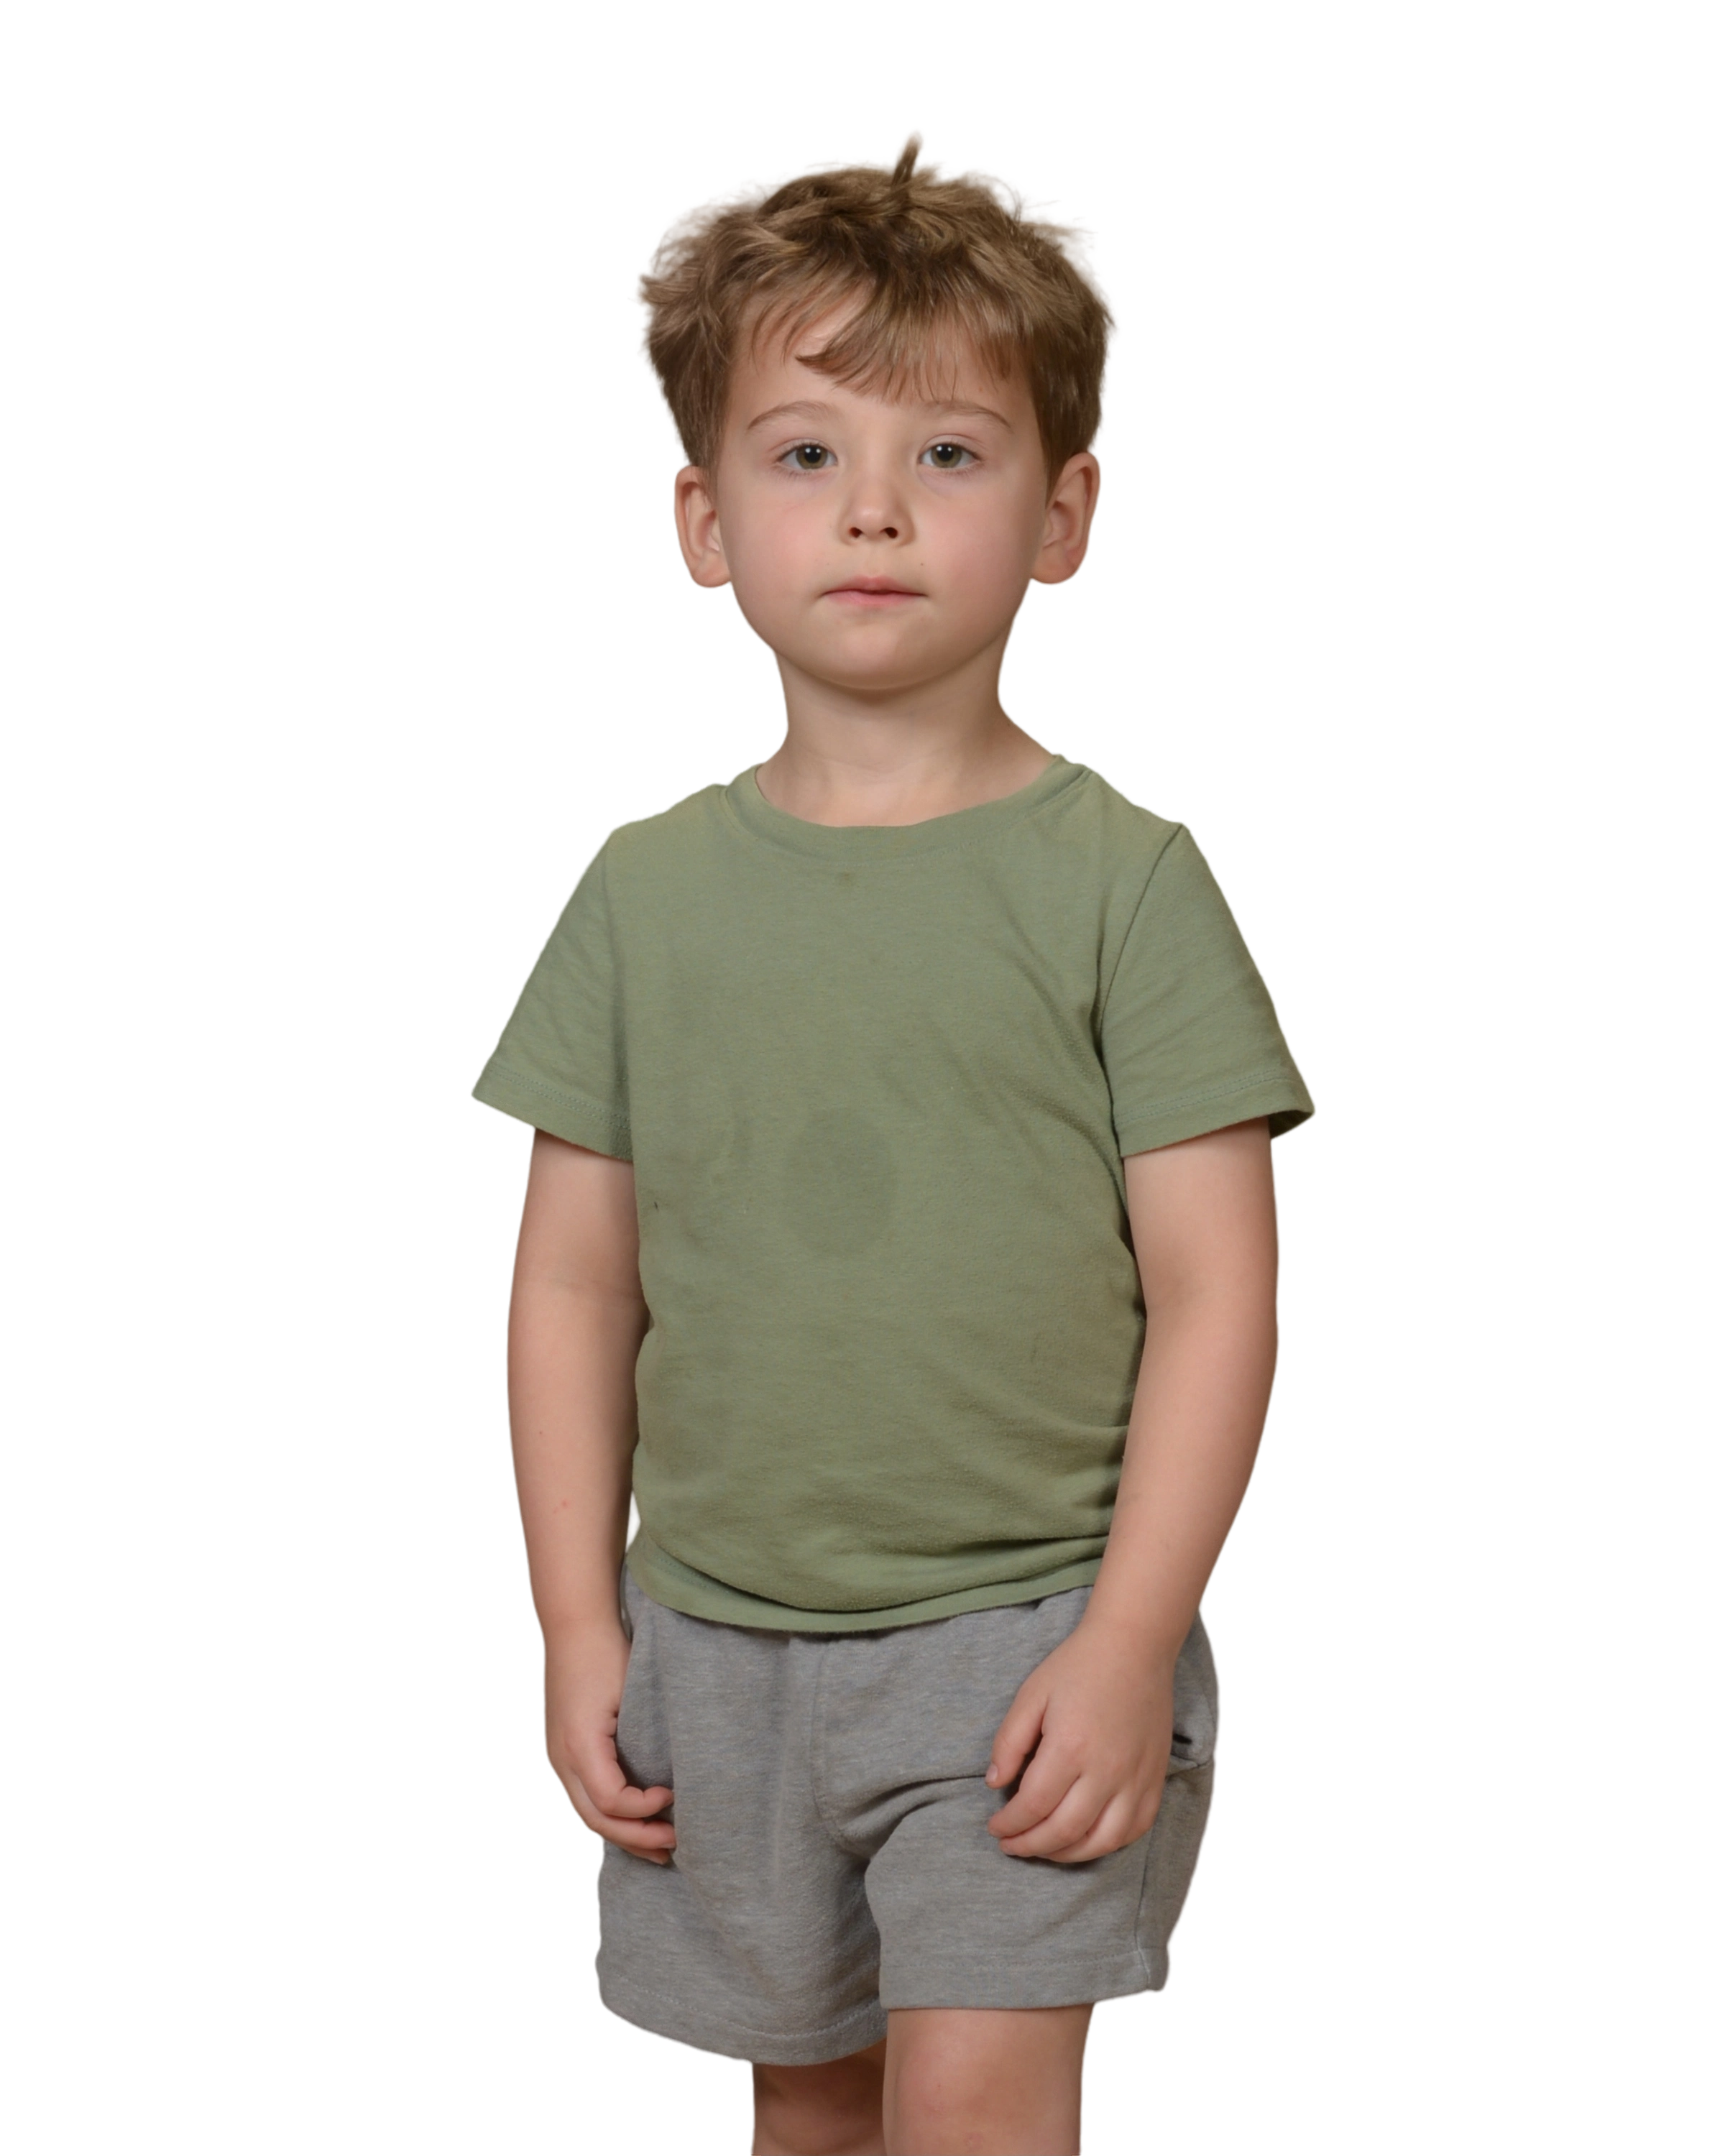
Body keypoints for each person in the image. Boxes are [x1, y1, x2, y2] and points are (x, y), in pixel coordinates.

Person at [466, 125, 1317, 2156]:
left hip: (1027, 1636)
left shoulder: (1130, 887)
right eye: (803, 453)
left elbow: (1219, 1296)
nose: (872, 507)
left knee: (974, 2103)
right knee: (813, 2110)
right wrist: (579, 1625)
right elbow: (573, 1289)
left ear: (1064, 514)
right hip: (718, 1646)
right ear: (702, 520)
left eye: (947, 451)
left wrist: (1130, 1640)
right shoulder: (639, 895)